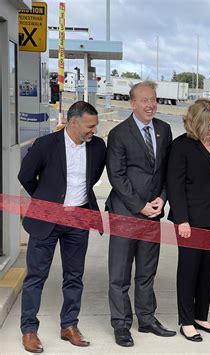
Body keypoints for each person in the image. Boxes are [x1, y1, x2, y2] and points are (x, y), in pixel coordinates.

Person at [18, 101, 106, 353]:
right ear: (73, 122)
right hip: (47, 220)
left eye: (95, 126)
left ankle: (69, 326)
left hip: (78, 219)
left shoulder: (98, 147)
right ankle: (29, 330)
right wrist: (45, 201)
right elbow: (25, 176)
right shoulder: (46, 145)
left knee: (74, 276)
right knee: (36, 276)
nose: (94, 131)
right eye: (90, 126)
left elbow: (94, 176)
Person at [106, 81, 175, 347]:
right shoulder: (119, 133)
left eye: (154, 99)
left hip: (153, 213)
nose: (151, 105)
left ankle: (146, 319)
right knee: (120, 274)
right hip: (125, 212)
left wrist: (162, 198)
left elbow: (167, 171)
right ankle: (121, 324)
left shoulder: (163, 130)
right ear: (132, 103)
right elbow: (117, 176)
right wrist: (140, 205)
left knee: (147, 271)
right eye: (144, 100)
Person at [167, 98, 210, 342]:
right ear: (196, 123)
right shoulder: (181, 146)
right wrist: (182, 220)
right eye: (208, 125)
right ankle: (186, 321)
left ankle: (200, 315)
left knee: (209, 269)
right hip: (191, 220)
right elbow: (175, 186)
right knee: (189, 270)